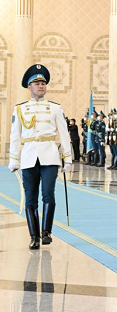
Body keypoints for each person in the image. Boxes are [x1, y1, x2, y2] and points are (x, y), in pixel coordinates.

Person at [8, 64, 72, 249]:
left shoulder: (55, 108)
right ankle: (34, 236)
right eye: (37, 83)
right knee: (30, 198)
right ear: (29, 87)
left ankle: (46, 232)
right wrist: (14, 159)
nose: (41, 86)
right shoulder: (20, 109)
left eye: (43, 83)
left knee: (48, 194)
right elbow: (15, 136)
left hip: (50, 156)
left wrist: (67, 157)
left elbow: (64, 134)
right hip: (29, 157)